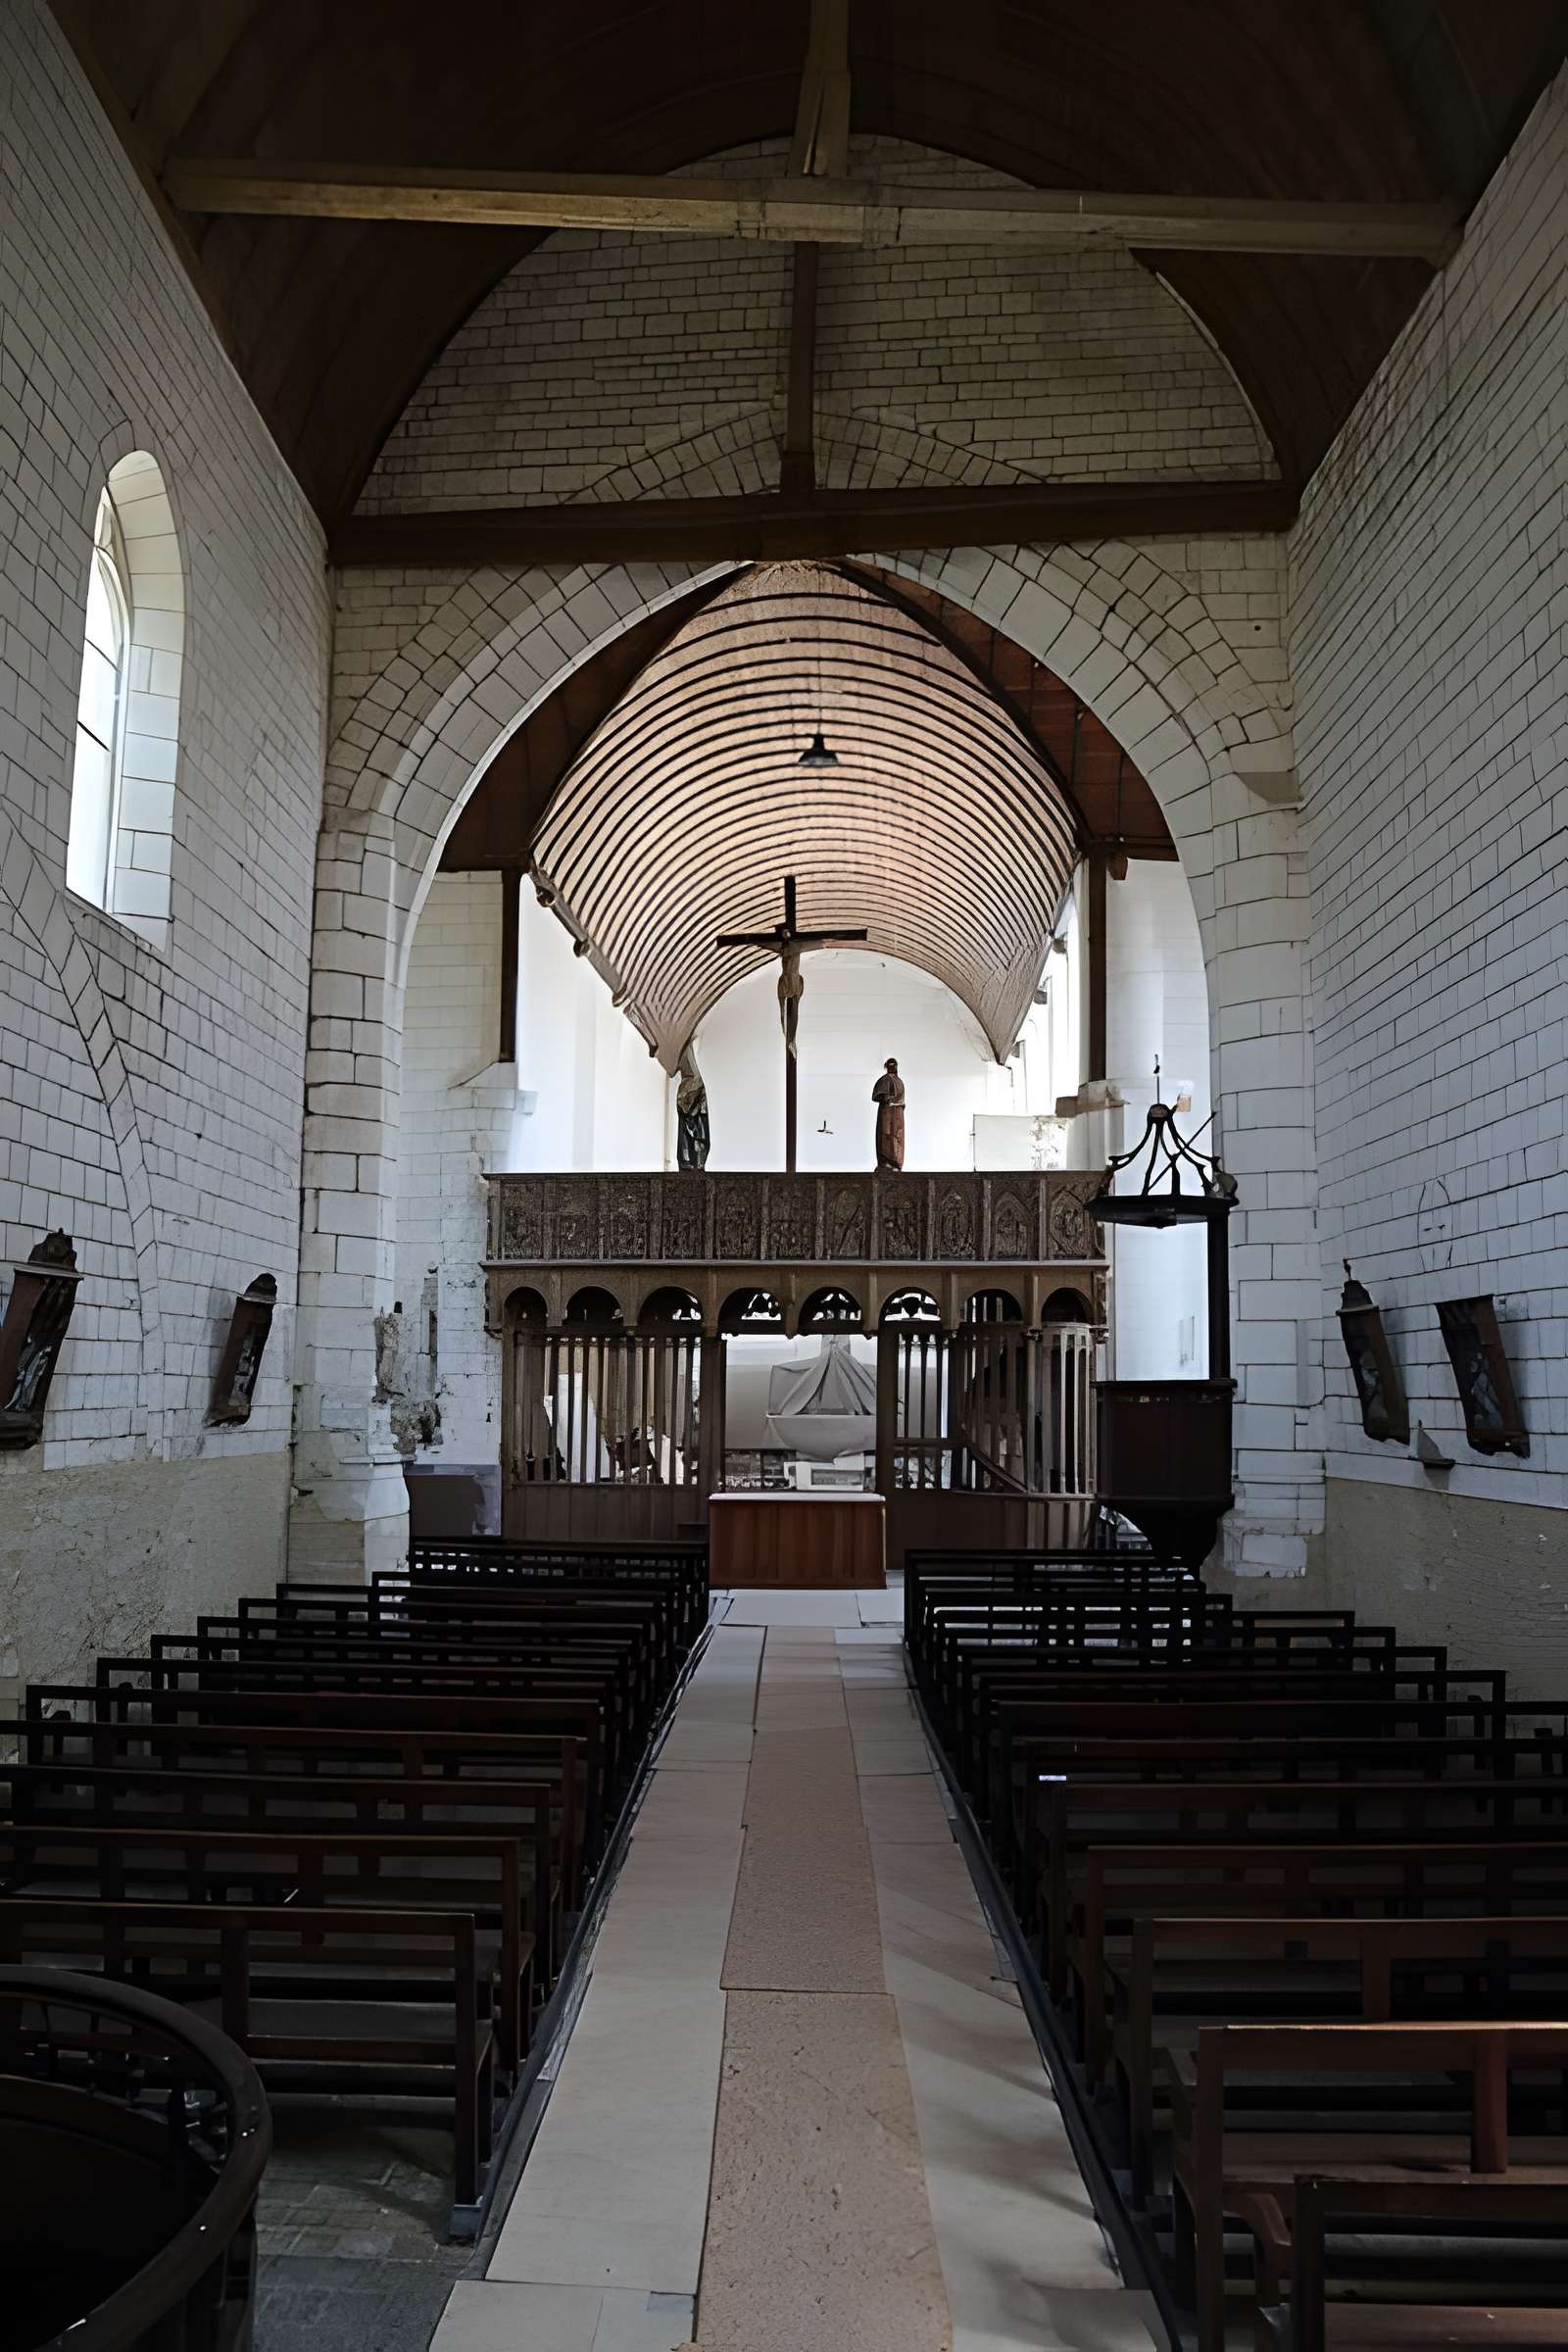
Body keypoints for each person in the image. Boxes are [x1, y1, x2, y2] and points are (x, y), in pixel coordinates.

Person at [871, 1057, 906, 1170]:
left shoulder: (900, 1082)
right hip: (887, 1113)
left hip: (897, 1115)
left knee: (896, 1137)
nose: (892, 1068)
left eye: (893, 1066)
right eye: (890, 1066)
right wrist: (886, 1098)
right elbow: (876, 1096)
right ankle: (885, 1162)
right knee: (885, 1135)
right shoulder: (884, 1080)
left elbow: (901, 1100)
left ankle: (895, 1162)